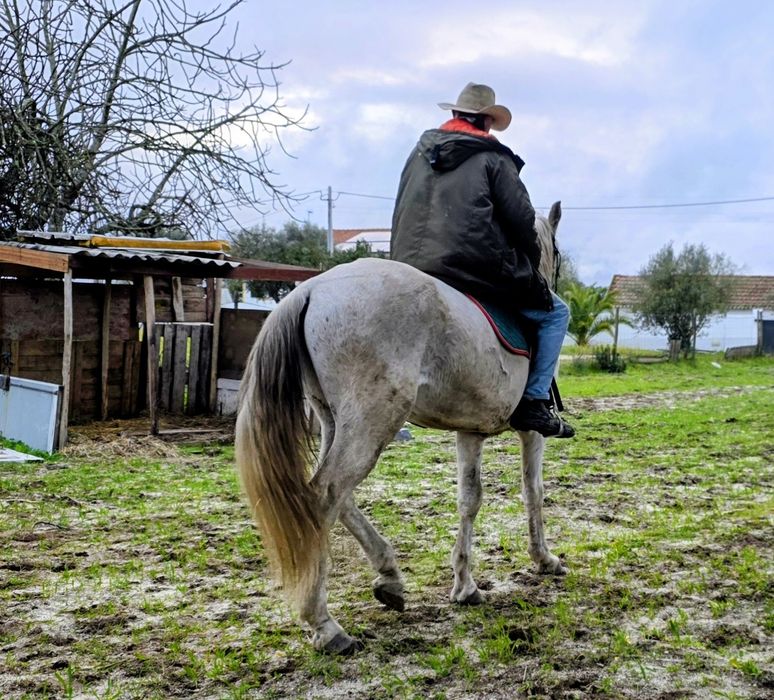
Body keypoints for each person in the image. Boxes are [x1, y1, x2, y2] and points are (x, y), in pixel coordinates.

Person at [390, 82, 575, 438]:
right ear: (487, 122)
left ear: (455, 115)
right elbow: (523, 222)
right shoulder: (494, 158)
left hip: (410, 263)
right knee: (556, 313)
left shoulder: (419, 154)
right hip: (473, 267)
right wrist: (530, 261)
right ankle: (535, 403)